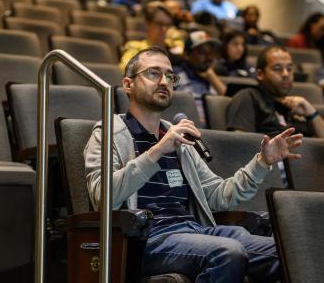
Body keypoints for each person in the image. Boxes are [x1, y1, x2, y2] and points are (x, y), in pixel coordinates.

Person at [84, 46, 302, 282]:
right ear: (128, 85)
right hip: (147, 240)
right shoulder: (109, 131)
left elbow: (219, 195)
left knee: (289, 252)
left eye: (170, 76)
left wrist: (262, 162)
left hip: (195, 231)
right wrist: (157, 151)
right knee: (227, 252)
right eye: (153, 73)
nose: (164, 82)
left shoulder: (176, 137)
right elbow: (101, 198)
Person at [227, 45, 324, 138]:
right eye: (277, 68)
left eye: (289, 69)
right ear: (260, 74)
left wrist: (311, 113)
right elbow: (239, 144)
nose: (285, 74)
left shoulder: (296, 107)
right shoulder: (248, 97)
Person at [174, 30, 227, 124]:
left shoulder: (212, 77)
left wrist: (212, 78)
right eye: (202, 52)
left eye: (211, 53)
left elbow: (229, 106)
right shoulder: (175, 74)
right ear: (187, 55)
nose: (209, 58)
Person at [119, 5, 183, 72]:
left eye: (167, 24)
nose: (164, 29)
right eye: (159, 24)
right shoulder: (135, 47)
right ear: (147, 24)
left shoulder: (173, 48)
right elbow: (125, 68)